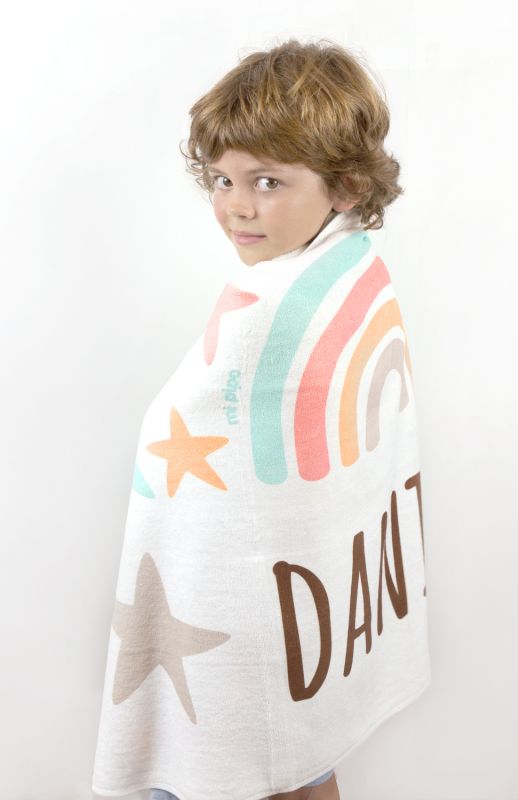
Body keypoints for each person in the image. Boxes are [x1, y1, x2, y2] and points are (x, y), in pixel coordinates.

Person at [92, 36, 430, 800]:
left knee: (234, 767)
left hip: (246, 615)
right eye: (222, 179)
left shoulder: (268, 314)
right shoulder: (353, 274)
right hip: (301, 607)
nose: (236, 206)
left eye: (267, 181)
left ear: (345, 185)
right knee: (305, 760)